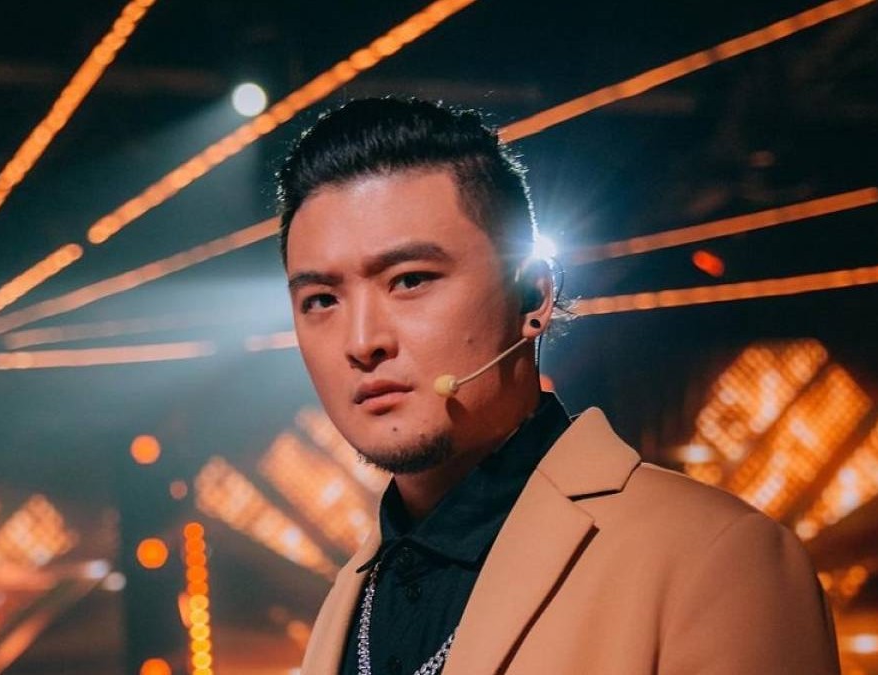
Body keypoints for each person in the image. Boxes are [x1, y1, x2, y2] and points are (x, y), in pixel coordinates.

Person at [276, 97, 839, 675]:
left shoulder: (712, 557)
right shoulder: (347, 604)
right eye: (321, 300)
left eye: (411, 280)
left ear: (533, 297)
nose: (362, 341)